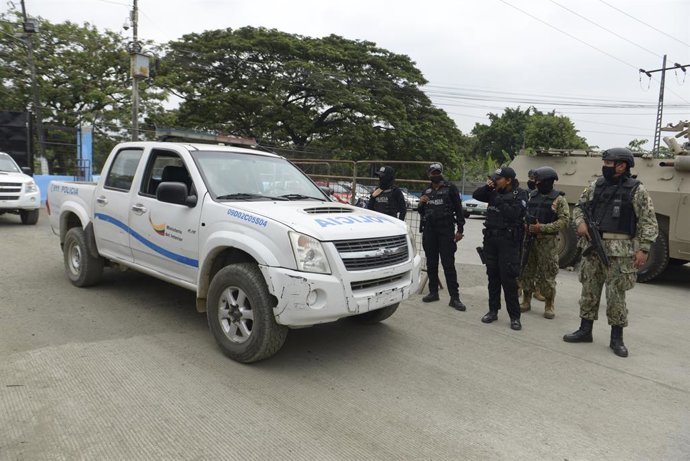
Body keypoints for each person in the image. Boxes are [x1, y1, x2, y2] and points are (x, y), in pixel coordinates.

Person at [563, 148, 658, 357]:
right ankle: (585, 330)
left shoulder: (637, 190)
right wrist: (580, 223)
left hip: (620, 251)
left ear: (621, 165)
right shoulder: (596, 185)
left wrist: (644, 249)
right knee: (589, 290)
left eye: (608, 163)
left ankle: (617, 339)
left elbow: (648, 221)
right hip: (592, 247)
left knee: (616, 295)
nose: (604, 166)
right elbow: (579, 207)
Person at [473, 166, 528, 330]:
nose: (495, 181)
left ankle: (515, 316)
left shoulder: (521, 194)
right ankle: (492, 310)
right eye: (494, 179)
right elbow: (477, 195)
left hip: (509, 242)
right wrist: (488, 187)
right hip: (491, 240)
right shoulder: (493, 191)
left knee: (509, 280)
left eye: (498, 179)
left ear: (509, 180)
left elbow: (513, 214)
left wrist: (497, 198)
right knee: (493, 277)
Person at [518, 166, 570, 319]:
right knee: (527, 270)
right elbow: (523, 213)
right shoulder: (530, 196)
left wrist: (543, 228)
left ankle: (549, 304)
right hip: (529, 240)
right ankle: (526, 300)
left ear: (548, 181)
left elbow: (564, 221)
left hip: (548, 242)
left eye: (539, 181)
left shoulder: (559, 199)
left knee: (548, 273)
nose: (536, 183)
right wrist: (525, 225)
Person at [418, 162, 466, 311]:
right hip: (430, 230)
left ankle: (455, 297)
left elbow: (459, 209)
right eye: (433, 172)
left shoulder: (450, 188)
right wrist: (421, 203)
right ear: (429, 174)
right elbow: (421, 211)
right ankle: (433, 292)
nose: (436, 174)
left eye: (438, 172)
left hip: (446, 229)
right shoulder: (426, 190)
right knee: (431, 263)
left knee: (448, 264)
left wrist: (460, 229)